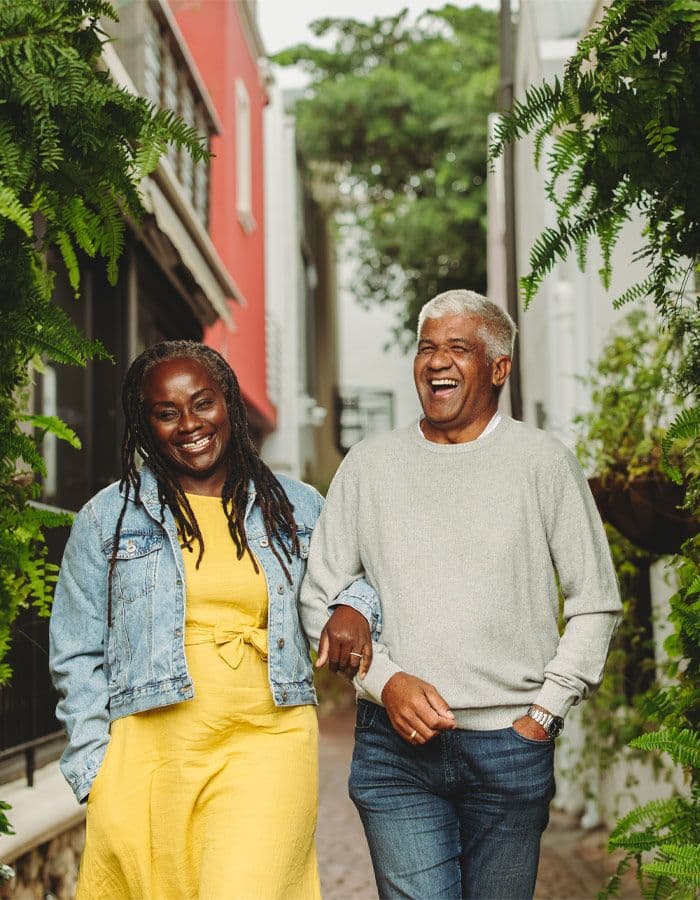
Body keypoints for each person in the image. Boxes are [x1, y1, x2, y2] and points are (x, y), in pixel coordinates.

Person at [301, 289, 622, 900]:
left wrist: (543, 714)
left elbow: (594, 601)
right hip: (394, 752)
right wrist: (387, 682)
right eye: (427, 348)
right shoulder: (369, 465)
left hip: (510, 746)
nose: (437, 362)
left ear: (499, 367)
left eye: (457, 348)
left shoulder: (544, 463)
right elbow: (319, 596)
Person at [49, 340, 377, 899]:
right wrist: (94, 771)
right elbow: (76, 651)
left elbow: (355, 581)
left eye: (202, 403)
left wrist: (355, 607)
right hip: (150, 754)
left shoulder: (295, 507)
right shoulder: (107, 518)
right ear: (143, 423)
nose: (189, 424)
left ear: (229, 402)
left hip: (267, 739)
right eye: (166, 412)